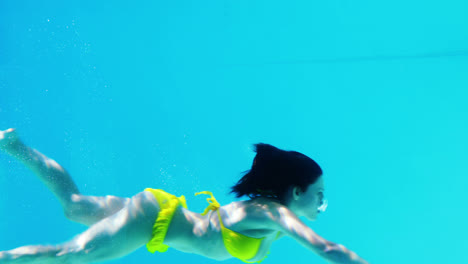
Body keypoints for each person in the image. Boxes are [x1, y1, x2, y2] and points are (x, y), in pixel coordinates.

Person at [0, 128, 369, 264]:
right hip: (151, 220)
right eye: (319, 195)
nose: (322, 204)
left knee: (74, 206)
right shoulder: (274, 215)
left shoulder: (266, 213)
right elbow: (327, 250)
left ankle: (16, 147)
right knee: (71, 255)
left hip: (158, 211)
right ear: (297, 191)